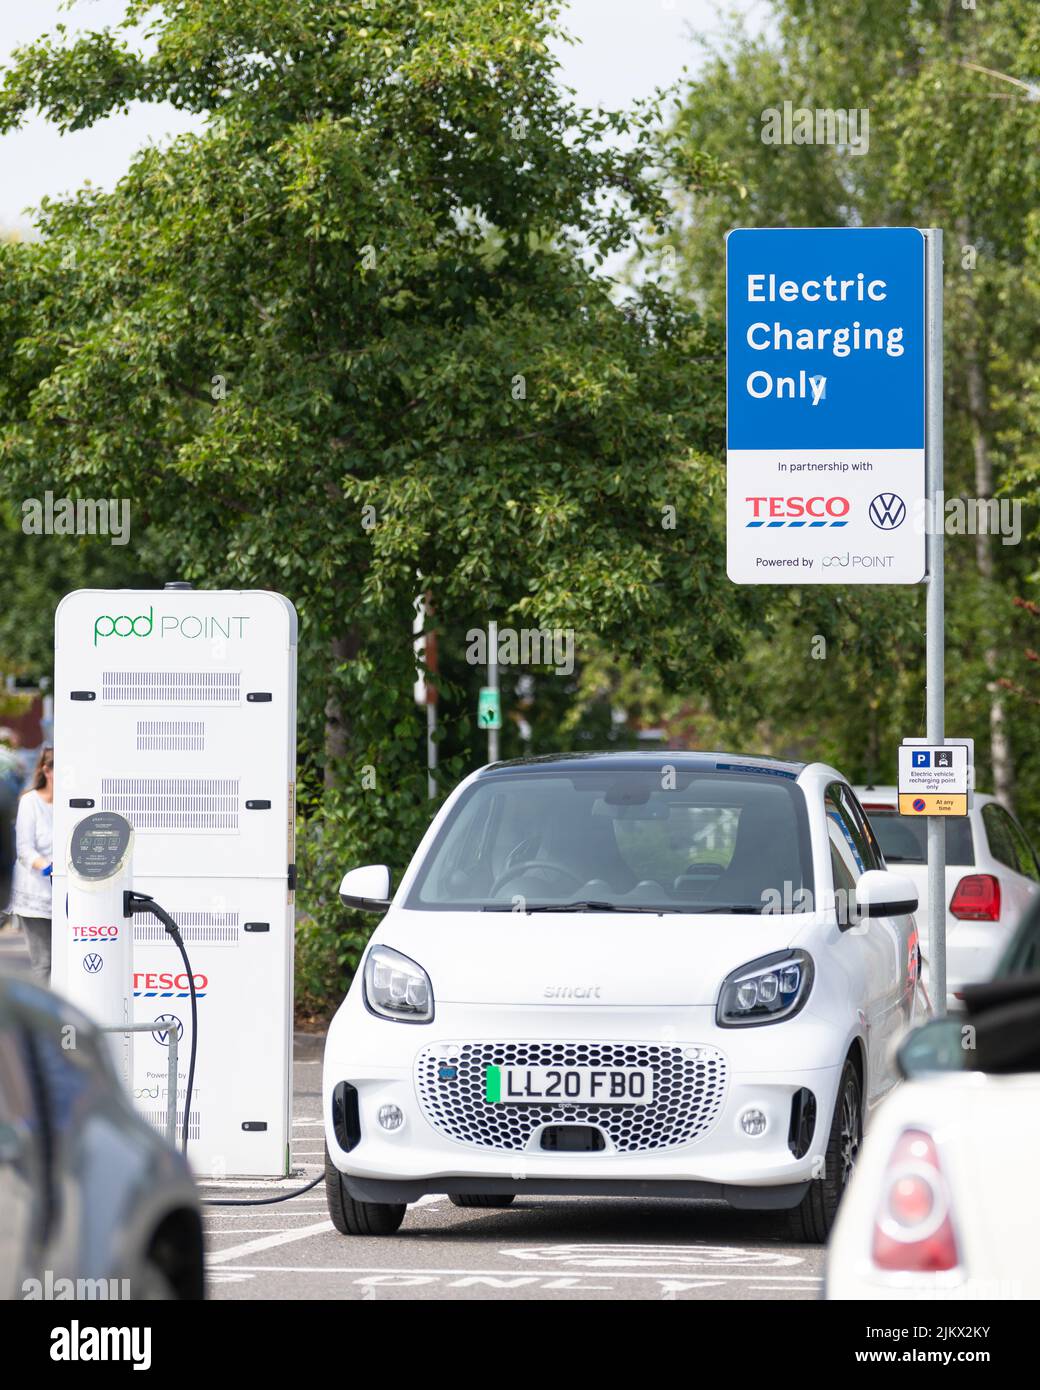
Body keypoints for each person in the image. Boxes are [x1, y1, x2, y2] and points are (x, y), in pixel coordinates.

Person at [10, 746, 54, 982]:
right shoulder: (30, 802)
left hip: (65, 897)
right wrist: (47, 867)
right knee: (44, 963)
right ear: (47, 770)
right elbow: (24, 848)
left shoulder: (69, 803)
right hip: (36, 894)